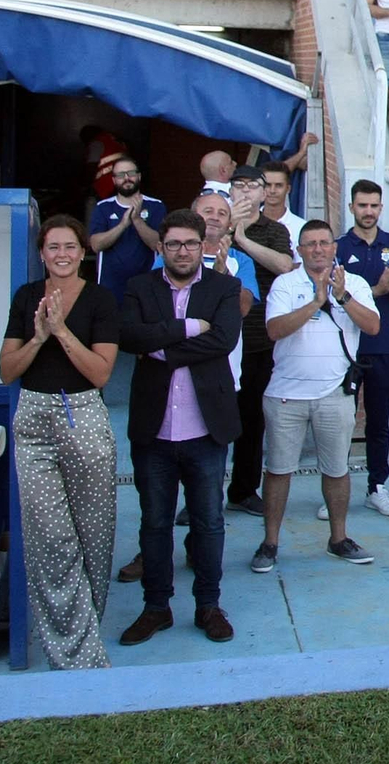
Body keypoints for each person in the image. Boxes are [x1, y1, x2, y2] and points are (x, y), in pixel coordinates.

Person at [116, 209, 244, 648]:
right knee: (154, 524)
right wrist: (188, 328)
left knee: (208, 523)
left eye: (191, 243)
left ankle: (208, 605)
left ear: (204, 245)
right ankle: (156, 608)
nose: (183, 251)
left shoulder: (224, 287)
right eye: (174, 244)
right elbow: (130, 336)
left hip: (205, 430)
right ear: (161, 248)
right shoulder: (139, 287)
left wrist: (164, 350)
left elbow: (223, 340)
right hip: (154, 431)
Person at [0, 216, 120, 669]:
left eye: (70, 246)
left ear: (83, 252)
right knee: (50, 539)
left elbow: (101, 373)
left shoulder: (101, 299)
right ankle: (73, 657)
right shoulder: (26, 296)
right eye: (53, 247)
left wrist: (63, 331)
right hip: (34, 417)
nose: (62, 254)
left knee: (93, 535)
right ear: (42, 253)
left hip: (83, 414)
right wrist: (39, 337)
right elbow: (7, 370)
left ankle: (84, 637)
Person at [252, 220, 382, 574]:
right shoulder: (285, 284)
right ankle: (270, 542)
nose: (318, 249)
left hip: (334, 393)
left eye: (324, 243)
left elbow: (373, 326)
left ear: (334, 247)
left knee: (336, 470)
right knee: (278, 470)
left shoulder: (353, 283)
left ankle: (338, 539)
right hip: (285, 395)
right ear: (300, 249)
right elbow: (274, 329)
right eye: (310, 244)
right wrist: (316, 302)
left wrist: (342, 297)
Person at [334, 180, 389, 516]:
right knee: (340, 421)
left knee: (379, 420)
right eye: (362, 205)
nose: (368, 211)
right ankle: (334, 490)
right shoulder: (340, 247)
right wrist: (379, 287)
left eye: (374, 205)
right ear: (352, 207)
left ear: (381, 208)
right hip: (345, 348)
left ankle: (377, 487)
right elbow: (334, 297)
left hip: (383, 345)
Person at [221, 169, 294, 521]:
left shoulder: (275, 230)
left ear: (265, 194)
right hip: (216, 338)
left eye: (254, 186)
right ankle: (199, 496)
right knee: (209, 420)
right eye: (240, 186)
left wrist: (242, 239)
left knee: (252, 421)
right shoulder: (213, 222)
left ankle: (243, 491)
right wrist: (226, 228)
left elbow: (284, 265)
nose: (246, 192)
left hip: (256, 339)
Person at [89, 159, 166, 305]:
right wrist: (123, 225)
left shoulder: (156, 205)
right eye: (121, 175)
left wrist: (136, 220)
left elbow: (158, 245)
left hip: (148, 285)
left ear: (139, 176)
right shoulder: (103, 207)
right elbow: (96, 245)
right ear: (114, 180)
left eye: (131, 173)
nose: (126, 178)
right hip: (110, 287)